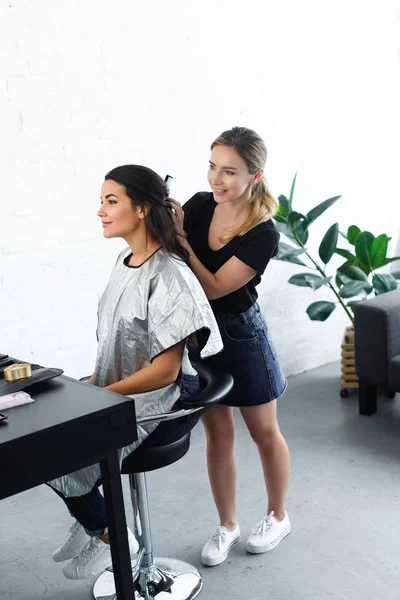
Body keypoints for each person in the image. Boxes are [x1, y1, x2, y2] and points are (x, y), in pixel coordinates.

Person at [48, 165, 223, 580]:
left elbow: (164, 373)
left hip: (165, 399)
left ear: (142, 209)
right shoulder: (125, 261)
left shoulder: (169, 275)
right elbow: (119, 347)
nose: (100, 211)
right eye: (102, 201)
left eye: (112, 201)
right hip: (123, 387)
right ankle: (96, 521)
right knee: (48, 432)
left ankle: (110, 536)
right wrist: (90, 385)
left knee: (60, 450)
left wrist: (101, 394)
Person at [168, 126, 290, 567]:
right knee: (218, 436)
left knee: (263, 433)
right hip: (201, 335)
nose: (216, 180)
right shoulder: (201, 205)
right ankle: (227, 526)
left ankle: (278, 515)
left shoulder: (263, 233)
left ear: (255, 175)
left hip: (241, 334)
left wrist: (182, 242)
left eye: (229, 172)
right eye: (212, 166)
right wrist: (168, 223)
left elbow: (217, 287)